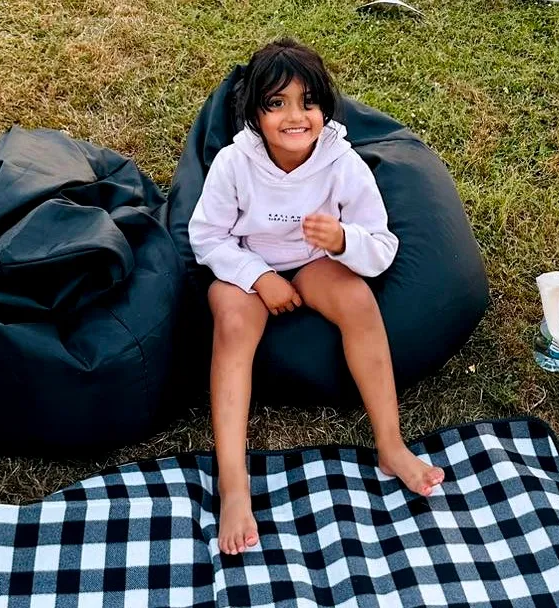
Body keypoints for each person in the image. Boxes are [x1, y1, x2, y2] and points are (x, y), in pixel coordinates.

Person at [189, 38, 445, 557]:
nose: (294, 116)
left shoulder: (341, 162)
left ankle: (391, 445)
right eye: (276, 104)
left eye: (307, 102)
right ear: (254, 113)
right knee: (233, 327)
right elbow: (207, 237)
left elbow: (381, 247)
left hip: (314, 262)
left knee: (359, 303)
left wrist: (343, 240)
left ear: (325, 108)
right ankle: (234, 485)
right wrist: (258, 276)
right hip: (248, 264)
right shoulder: (235, 164)